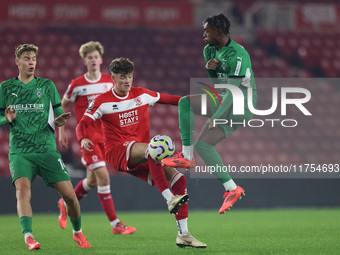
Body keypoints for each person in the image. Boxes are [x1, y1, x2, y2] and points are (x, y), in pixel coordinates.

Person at [76, 57, 207, 248]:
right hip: (117, 152)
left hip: (142, 154)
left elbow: (174, 100)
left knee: (179, 180)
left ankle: (184, 234)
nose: (127, 81)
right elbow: (82, 124)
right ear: (113, 77)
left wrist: (199, 103)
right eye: (122, 77)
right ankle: (170, 199)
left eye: (129, 76)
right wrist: (83, 139)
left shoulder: (142, 95)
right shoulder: (102, 101)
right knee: (155, 147)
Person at [162, 14, 257, 214]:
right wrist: (210, 70)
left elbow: (232, 92)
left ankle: (186, 156)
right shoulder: (209, 50)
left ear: (219, 31)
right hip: (228, 100)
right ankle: (232, 188)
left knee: (185, 103)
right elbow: (218, 86)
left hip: (242, 104)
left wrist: (216, 117)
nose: (204, 34)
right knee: (203, 145)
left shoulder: (238, 55)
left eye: (207, 30)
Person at [0, 44, 91, 250]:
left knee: (69, 195)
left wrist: (60, 124)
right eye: (26, 58)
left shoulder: (47, 86)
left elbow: (59, 114)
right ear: (17, 62)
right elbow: (0, 117)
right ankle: (29, 237)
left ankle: (77, 232)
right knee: (22, 190)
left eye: (33, 58)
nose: (31, 62)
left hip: (46, 150)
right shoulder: (5, 88)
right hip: (21, 151)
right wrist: (6, 119)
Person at [58, 41, 135, 235]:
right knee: (103, 176)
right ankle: (115, 224)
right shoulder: (76, 85)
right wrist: (60, 129)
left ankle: (64, 203)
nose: (93, 60)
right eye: (89, 57)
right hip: (87, 138)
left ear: (101, 59)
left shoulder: (110, 81)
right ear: (85, 60)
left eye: (95, 57)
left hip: (106, 137)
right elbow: (62, 105)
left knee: (92, 181)